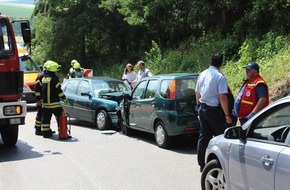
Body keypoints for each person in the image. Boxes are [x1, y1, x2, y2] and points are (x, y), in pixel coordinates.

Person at [195, 53, 232, 172]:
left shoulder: (202, 74)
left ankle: (202, 164)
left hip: (202, 108)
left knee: (204, 137)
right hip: (213, 111)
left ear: (210, 61)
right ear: (221, 63)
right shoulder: (220, 77)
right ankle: (224, 165)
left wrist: (198, 106)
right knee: (222, 136)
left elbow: (197, 93)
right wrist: (227, 115)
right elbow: (222, 97)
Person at [41, 60, 68, 138]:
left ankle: (45, 133)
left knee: (46, 119)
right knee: (60, 118)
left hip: (46, 105)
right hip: (55, 104)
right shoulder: (54, 79)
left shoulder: (44, 79)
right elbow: (59, 90)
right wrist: (64, 98)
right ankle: (62, 134)